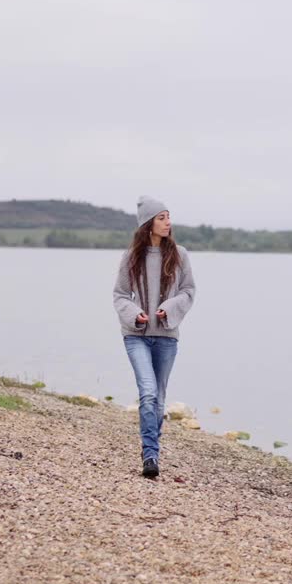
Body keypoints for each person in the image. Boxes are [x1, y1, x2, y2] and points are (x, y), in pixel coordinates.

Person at [112, 195, 196, 478]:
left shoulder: (180, 255)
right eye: (161, 217)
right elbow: (120, 295)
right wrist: (135, 314)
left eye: (168, 216)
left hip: (167, 337)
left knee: (158, 397)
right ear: (148, 224)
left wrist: (167, 309)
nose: (168, 222)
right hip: (136, 336)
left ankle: (152, 450)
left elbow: (188, 292)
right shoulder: (131, 256)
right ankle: (150, 456)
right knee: (147, 393)